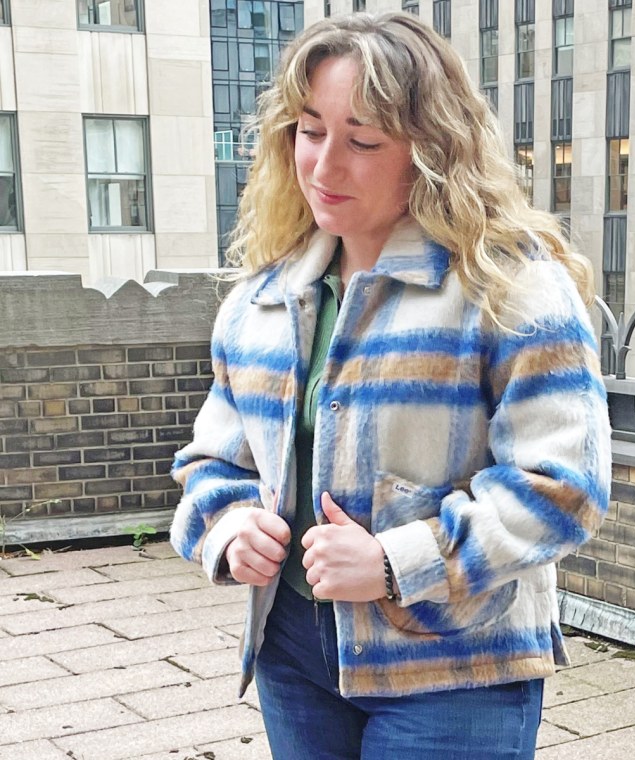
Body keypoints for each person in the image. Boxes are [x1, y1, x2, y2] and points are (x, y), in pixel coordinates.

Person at [170, 11, 611, 759]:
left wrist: (393, 562)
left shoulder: (510, 289)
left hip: (456, 666)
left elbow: (566, 487)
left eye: (363, 141)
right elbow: (212, 462)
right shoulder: (263, 299)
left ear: (431, 150)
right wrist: (228, 527)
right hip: (292, 654)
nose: (324, 167)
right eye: (310, 131)